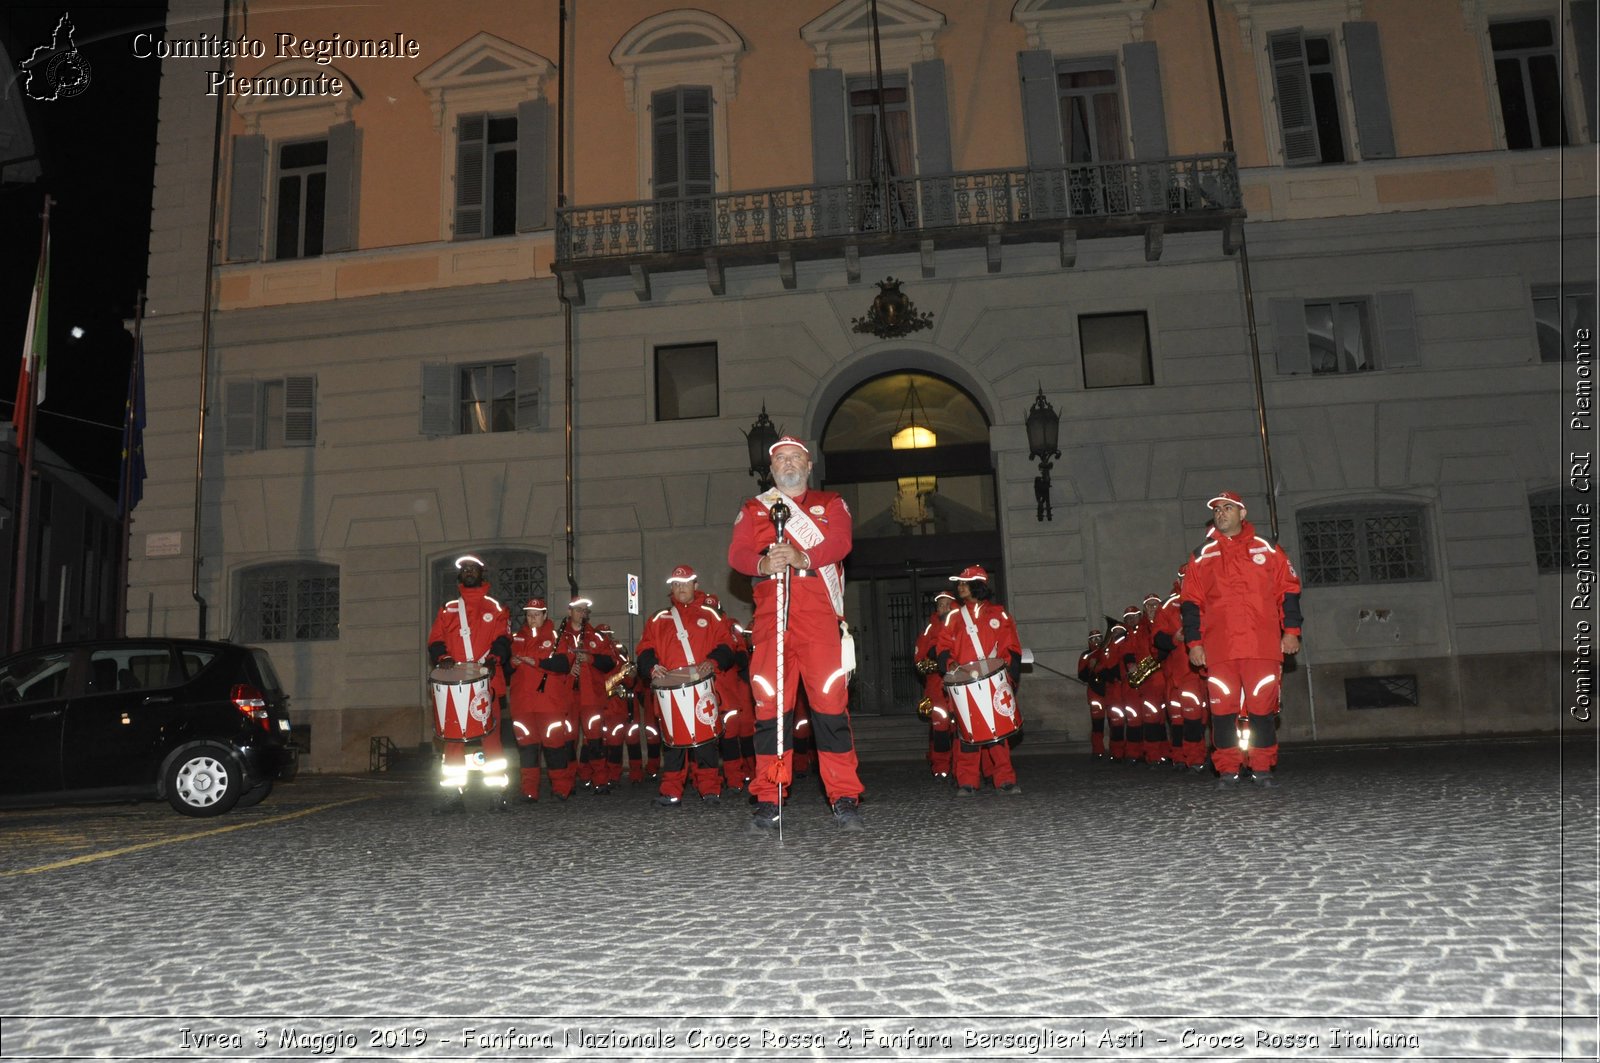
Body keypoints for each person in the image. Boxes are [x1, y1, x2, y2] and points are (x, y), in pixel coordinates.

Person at [728, 435, 866, 832]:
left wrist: (804, 556)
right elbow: (736, 554)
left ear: (808, 467)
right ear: (771, 470)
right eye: (781, 460)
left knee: (830, 711)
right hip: (772, 619)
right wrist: (762, 563)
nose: (788, 465)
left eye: (796, 459)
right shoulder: (754, 509)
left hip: (819, 620)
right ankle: (769, 797)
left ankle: (843, 797)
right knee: (770, 713)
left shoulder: (832, 503)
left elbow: (841, 543)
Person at [1181, 491, 1303, 788]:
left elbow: (1288, 591)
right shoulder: (1201, 556)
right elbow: (1190, 603)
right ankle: (1228, 770)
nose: (1221, 513)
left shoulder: (1269, 550)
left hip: (1261, 646)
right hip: (1219, 648)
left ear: (1242, 513)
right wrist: (1195, 644)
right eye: (1218, 510)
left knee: (1262, 711)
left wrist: (1291, 632)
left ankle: (1261, 768)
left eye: (1228, 508)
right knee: (1222, 713)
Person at [636, 565, 736, 807]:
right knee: (672, 745)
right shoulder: (659, 619)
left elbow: (727, 646)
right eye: (676, 584)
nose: (681, 587)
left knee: (706, 744)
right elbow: (645, 649)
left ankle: (710, 789)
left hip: (702, 689)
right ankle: (671, 790)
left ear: (695, 585)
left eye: (685, 583)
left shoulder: (711, 615)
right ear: (672, 587)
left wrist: (713, 662)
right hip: (671, 693)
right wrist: (651, 667)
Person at [425, 554, 512, 812]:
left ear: (482, 574)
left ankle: (497, 793)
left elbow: (503, 639)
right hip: (455, 683)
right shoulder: (448, 609)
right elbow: (435, 640)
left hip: (487, 681)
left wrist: (495, 658)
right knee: (452, 739)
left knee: (491, 738)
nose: (469, 572)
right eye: (465, 569)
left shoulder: (495, 608)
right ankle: (453, 795)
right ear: (459, 577)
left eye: (473, 568)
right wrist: (443, 657)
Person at [935, 565, 1023, 796]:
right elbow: (943, 647)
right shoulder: (953, 617)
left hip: (993, 682)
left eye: (964, 583)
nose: (960, 587)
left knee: (997, 736)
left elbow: (1011, 647)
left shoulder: (998, 614)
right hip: (964, 684)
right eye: (960, 583)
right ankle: (967, 782)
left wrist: (1008, 679)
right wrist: (949, 664)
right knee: (966, 735)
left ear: (978, 585)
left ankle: (1004, 779)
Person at [508, 598, 576, 801]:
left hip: (549, 703)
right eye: (529, 615)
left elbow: (563, 664)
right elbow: (504, 669)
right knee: (527, 749)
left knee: (554, 747)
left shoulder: (557, 637)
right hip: (523, 705)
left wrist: (537, 662)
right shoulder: (517, 638)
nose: (532, 619)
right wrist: (511, 664)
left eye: (536, 614)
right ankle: (529, 790)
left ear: (545, 615)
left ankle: (561, 788)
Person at [559, 595, 617, 793]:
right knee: (568, 740)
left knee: (595, 740)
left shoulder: (596, 637)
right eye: (578, 610)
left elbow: (610, 662)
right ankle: (567, 783)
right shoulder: (559, 636)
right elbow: (551, 664)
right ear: (570, 612)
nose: (582, 614)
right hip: (567, 696)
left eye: (585, 611)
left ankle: (600, 779)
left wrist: (590, 658)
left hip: (591, 696)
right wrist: (568, 668)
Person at [916, 590, 958, 779]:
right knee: (940, 726)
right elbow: (919, 657)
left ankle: (960, 766)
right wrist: (931, 661)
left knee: (960, 727)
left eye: (946, 604)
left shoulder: (961, 625)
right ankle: (940, 765)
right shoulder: (930, 629)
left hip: (960, 681)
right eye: (940, 604)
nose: (943, 608)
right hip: (936, 685)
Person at [1077, 629, 1108, 759]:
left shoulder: (1107, 651)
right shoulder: (1086, 655)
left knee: (1116, 721)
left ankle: (1118, 750)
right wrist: (1090, 667)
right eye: (1094, 639)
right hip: (1095, 693)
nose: (1097, 641)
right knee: (1097, 724)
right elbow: (1082, 675)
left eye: (1099, 638)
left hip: (1110, 689)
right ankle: (1098, 750)